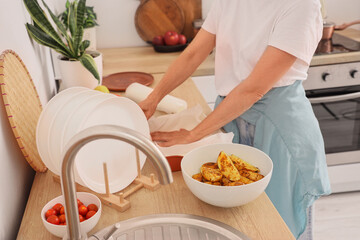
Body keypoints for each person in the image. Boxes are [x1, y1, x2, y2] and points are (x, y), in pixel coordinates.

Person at [139, 0, 331, 239]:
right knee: (236, 224)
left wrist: (192, 135)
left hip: (278, 128)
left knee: (279, 228)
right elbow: (193, 53)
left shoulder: (301, 5)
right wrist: (154, 98)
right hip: (230, 115)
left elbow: (253, 90)